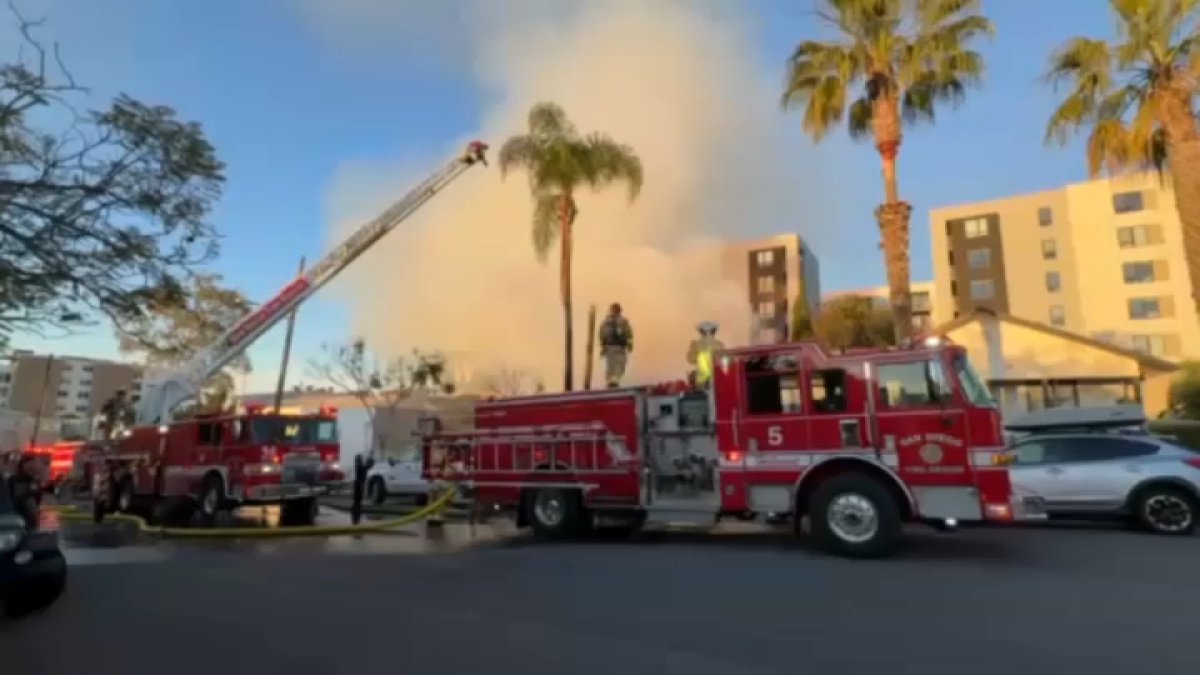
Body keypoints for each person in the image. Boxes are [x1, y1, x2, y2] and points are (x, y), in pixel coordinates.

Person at [598, 303, 634, 388]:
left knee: (611, 365)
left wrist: (603, 347)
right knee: (619, 364)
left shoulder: (605, 322)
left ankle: (611, 381)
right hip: (618, 347)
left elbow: (601, 335)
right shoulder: (623, 321)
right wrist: (630, 344)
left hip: (610, 347)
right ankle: (614, 381)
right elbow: (628, 333)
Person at [685, 321, 725, 389]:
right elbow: (723, 363)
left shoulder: (695, 345)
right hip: (717, 378)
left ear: (700, 331)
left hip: (702, 380)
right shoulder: (720, 345)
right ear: (714, 331)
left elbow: (690, 360)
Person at [350, 453, 374, 526]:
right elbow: (367, 466)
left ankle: (355, 519)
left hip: (358, 485)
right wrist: (370, 459)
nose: (361, 460)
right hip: (359, 485)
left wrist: (369, 460)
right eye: (360, 459)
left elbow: (367, 466)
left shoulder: (358, 466)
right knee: (358, 502)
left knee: (357, 502)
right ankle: (356, 519)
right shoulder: (359, 466)